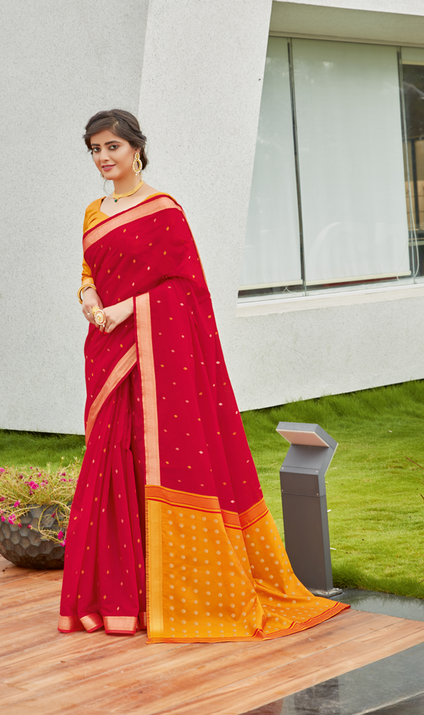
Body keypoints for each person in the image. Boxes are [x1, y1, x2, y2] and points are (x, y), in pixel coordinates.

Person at [58, 109, 348, 642]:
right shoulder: (91, 213)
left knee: (158, 458)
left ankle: (172, 594)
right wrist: (90, 300)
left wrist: (126, 309)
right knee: (110, 460)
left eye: (112, 148)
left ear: (136, 149)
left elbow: (185, 288)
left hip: (152, 352)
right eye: (94, 149)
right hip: (106, 350)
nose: (103, 158)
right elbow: (87, 274)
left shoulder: (163, 209)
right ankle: (118, 597)